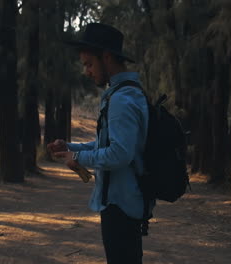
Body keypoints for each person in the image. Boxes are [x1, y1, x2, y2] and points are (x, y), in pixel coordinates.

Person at [47, 23, 150, 264]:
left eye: (89, 64)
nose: (86, 71)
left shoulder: (122, 100)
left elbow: (120, 154)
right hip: (122, 202)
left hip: (121, 205)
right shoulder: (124, 93)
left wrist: (79, 159)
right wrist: (71, 148)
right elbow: (107, 144)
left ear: (106, 57)